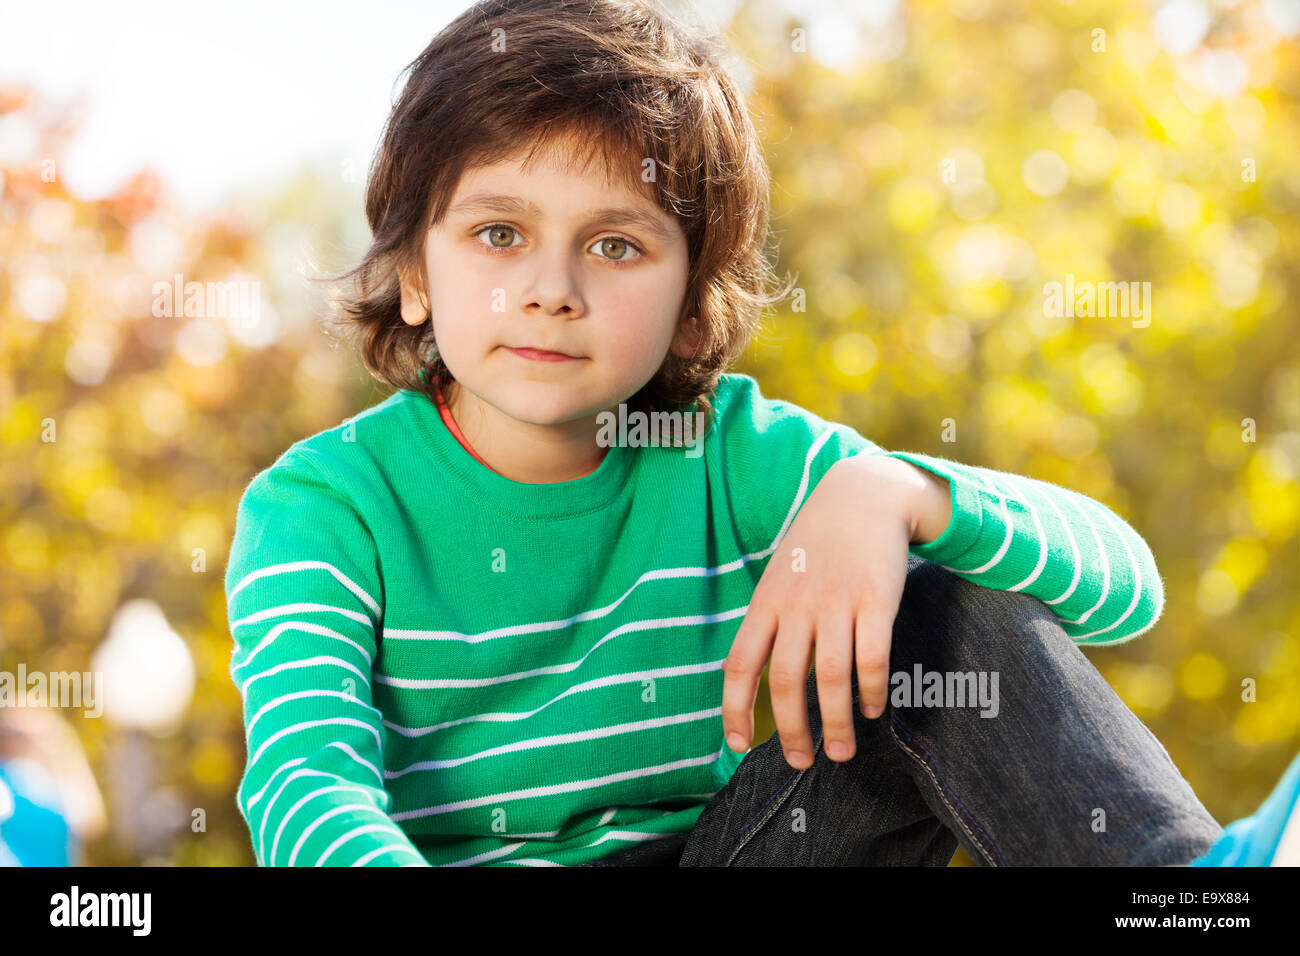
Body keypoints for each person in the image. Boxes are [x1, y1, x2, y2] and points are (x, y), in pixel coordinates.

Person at [224, 0, 1267, 867]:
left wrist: (894, 493)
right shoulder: (324, 506)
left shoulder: (723, 451)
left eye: (616, 244)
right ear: (413, 271)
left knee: (938, 611)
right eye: (499, 234)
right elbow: (303, 784)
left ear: (689, 303)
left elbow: (1123, 587)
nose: (551, 290)